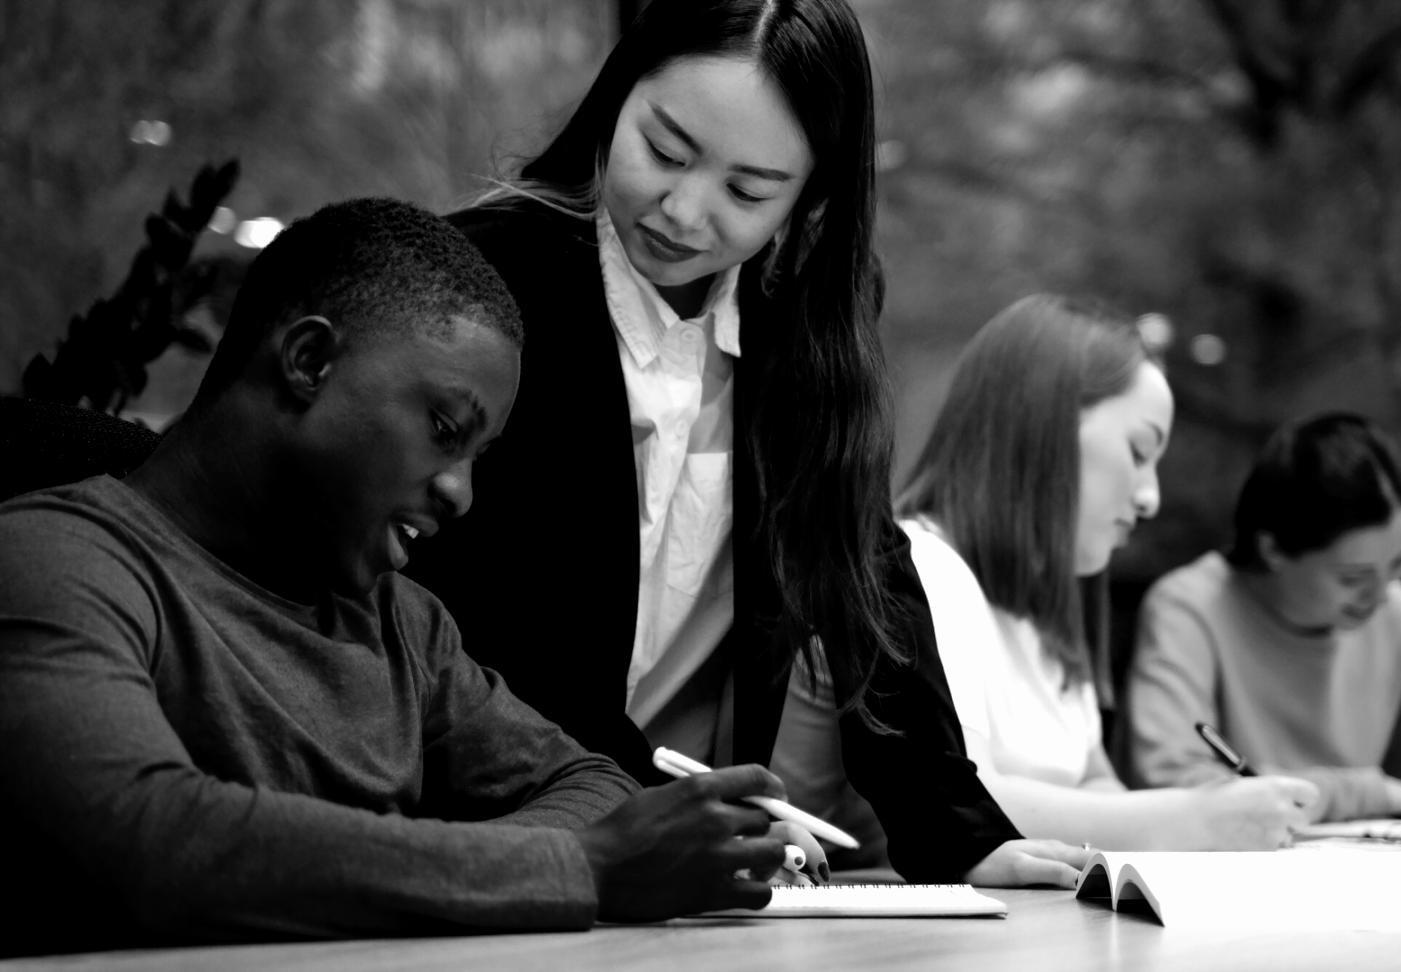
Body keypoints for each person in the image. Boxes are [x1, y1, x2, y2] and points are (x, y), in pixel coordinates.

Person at [0, 198, 805, 957]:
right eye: (444, 431)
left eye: (474, 458)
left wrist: (541, 862)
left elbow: (587, 779)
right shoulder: (58, 561)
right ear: (308, 361)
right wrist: (578, 869)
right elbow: (151, 841)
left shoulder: (401, 625)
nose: (459, 493)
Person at [408, 0, 1083, 886]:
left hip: (681, 852)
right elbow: (464, 612)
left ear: (811, 198)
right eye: (665, 149)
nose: (684, 212)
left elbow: (860, 566)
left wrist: (959, 832)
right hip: (473, 819)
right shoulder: (484, 278)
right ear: (616, 97)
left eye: (747, 191)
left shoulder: (799, 309)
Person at [891, 294, 1317, 850]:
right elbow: (960, 802)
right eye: (1139, 452)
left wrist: (1211, 816)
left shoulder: (1047, 600)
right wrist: (1193, 818)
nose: (1150, 499)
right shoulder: (923, 566)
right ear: (1042, 428)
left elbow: (1094, 781)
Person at [1124, 412, 1401, 822]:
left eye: (1399, 564)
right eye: (1353, 578)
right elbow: (1168, 784)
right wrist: (1371, 794)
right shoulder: (1189, 609)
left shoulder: (1397, 612)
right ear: (1273, 549)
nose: (1381, 594)